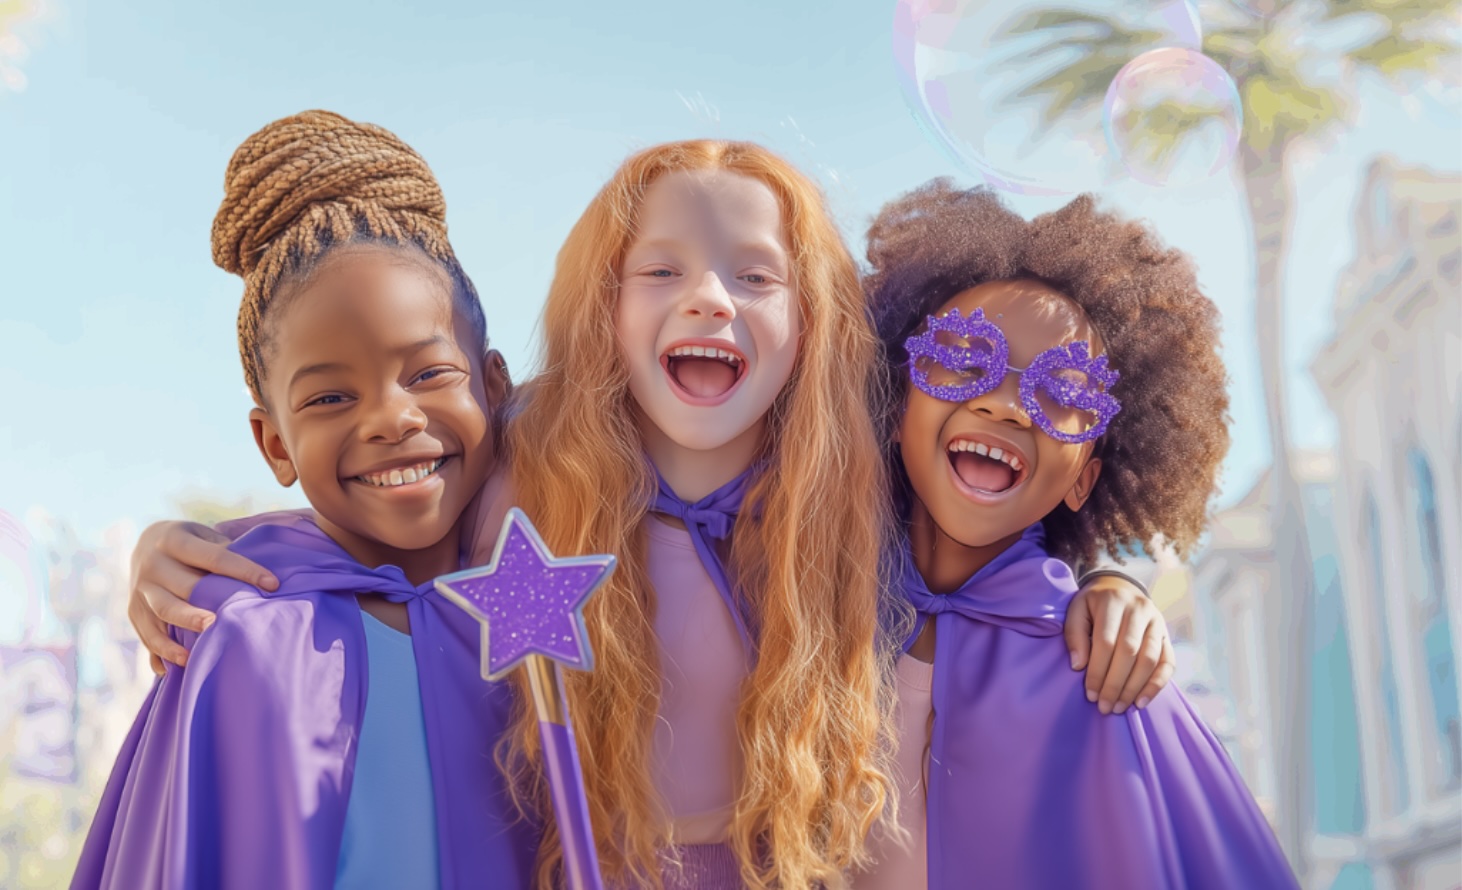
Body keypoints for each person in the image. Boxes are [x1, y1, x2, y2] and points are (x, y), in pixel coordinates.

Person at [119, 145, 1175, 890]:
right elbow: (384, 518)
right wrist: (184, 551)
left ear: (812, 317)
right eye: (660, 269)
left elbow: (987, 538)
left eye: (755, 274)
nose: (708, 297)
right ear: (606, 306)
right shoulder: (529, 463)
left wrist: (1109, 582)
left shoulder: (847, 495)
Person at [72, 110, 533, 889]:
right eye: (329, 398)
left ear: (495, 384)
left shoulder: (551, 608)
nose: (391, 419)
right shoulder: (245, 635)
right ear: (275, 445)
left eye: (429, 374)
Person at [854, 180, 1299, 889]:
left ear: (1083, 481)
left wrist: (1114, 582)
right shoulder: (800, 615)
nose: (1005, 406)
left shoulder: (1109, 676)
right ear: (894, 403)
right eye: (965, 360)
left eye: (1062, 393)